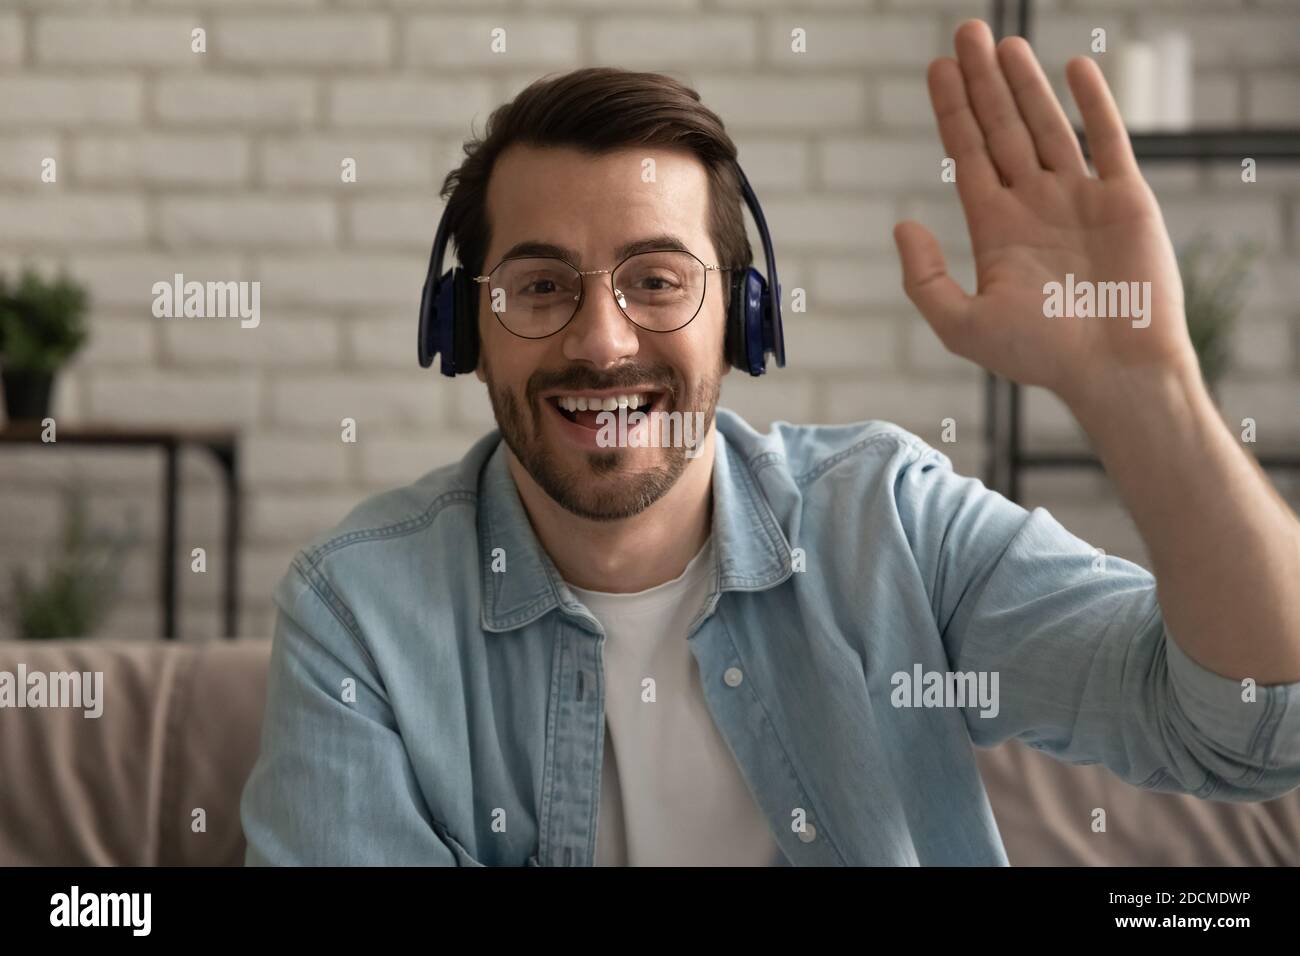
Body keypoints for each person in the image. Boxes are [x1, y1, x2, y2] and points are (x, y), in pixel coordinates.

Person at [241, 20, 1300, 866]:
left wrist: (1146, 391)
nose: (602, 341)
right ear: (462, 330)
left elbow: (1250, 730)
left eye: (657, 280)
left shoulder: (891, 523)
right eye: (539, 286)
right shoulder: (358, 612)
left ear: (744, 322)